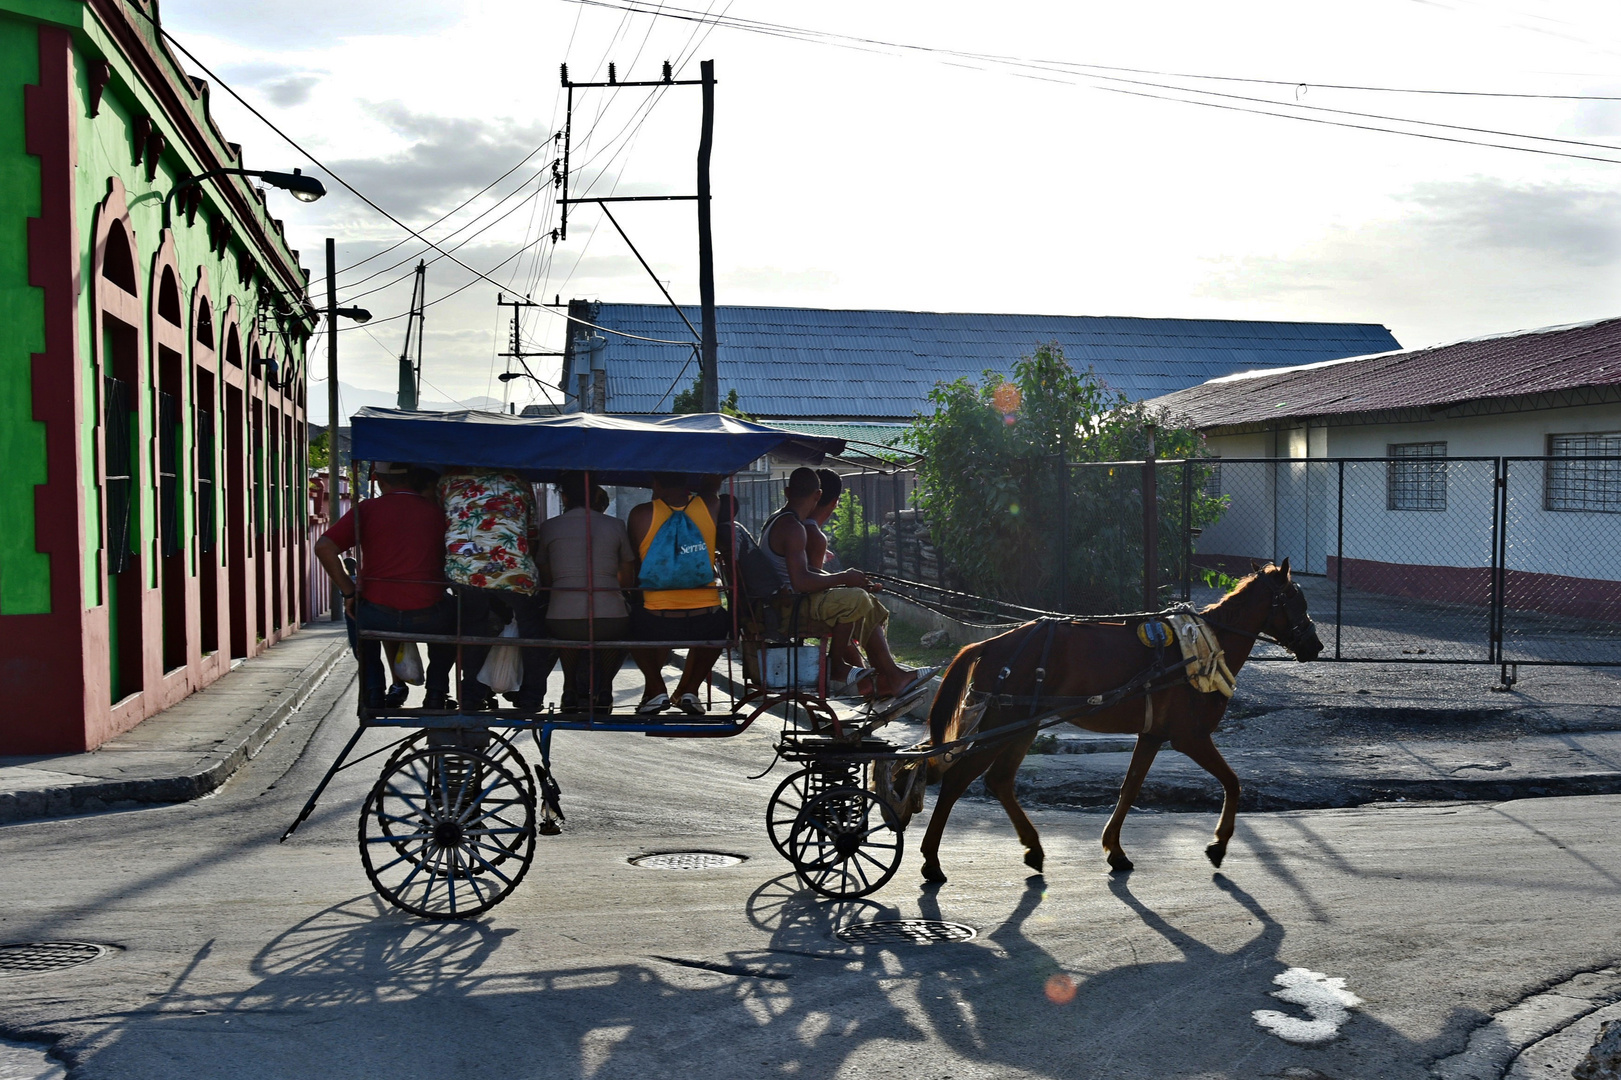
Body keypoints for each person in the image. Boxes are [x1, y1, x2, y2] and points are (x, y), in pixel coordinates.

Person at [763, 467, 924, 700]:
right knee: (856, 600)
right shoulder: (794, 528)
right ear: (818, 495)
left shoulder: (780, 520)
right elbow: (801, 581)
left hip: (790, 600)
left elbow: (807, 573)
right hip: (790, 605)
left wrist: (846, 582)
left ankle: (890, 676)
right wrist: (843, 578)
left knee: (863, 599)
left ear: (787, 491)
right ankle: (837, 665)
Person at [314, 461, 455, 709]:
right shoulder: (438, 512)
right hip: (429, 615)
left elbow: (324, 547)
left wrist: (349, 591)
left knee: (356, 617)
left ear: (379, 479)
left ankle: (374, 692)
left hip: (378, 614)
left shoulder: (367, 509)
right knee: (453, 618)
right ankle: (436, 692)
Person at [438, 466, 551, 711]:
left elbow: (445, 522)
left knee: (473, 628)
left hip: (464, 570)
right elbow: (532, 531)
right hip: (513, 569)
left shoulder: (448, 478)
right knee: (532, 628)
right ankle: (531, 697)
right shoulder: (519, 479)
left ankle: (471, 695)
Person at [628, 473, 730, 716]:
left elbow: (635, 561)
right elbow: (713, 483)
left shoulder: (640, 514)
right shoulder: (710, 505)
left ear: (655, 483)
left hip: (657, 619)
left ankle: (656, 688)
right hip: (705, 618)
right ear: (687, 483)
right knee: (723, 621)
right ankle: (690, 690)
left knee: (629, 625)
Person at [538, 471, 638, 712]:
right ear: (595, 495)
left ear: (564, 498)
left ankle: (569, 688)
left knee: (567, 636)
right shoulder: (615, 525)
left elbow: (546, 574)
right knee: (619, 632)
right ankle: (604, 688)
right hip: (610, 617)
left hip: (562, 617)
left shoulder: (549, 527)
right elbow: (627, 577)